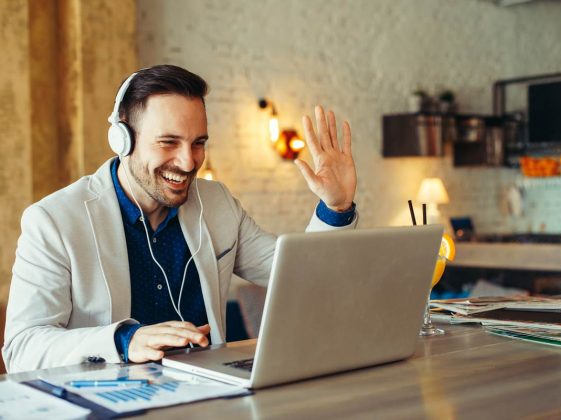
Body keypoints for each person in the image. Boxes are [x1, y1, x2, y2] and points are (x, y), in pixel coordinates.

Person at [2, 65, 358, 373]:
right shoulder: (52, 221)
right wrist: (124, 340)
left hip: (210, 401)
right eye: (169, 142)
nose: (188, 162)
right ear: (122, 139)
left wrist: (336, 206)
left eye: (198, 142)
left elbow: (301, 277)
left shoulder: (218, 203)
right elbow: (22, 348)